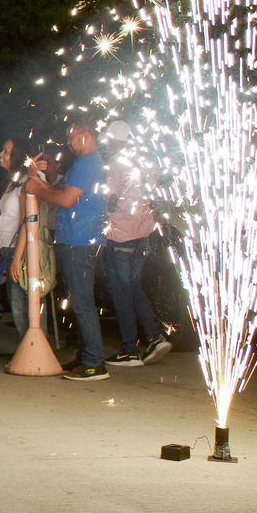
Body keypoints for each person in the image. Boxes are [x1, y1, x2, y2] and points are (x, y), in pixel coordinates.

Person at [28, 121, 110, 381]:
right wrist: (45, 185)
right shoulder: (88, 163)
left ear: (86, 135)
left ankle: (94, 362)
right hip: (80, 238)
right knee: (79, 299)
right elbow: (65, 192)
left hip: (80, 240)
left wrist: (40, 190)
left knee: (82, 301)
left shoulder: (87, 163)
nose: (70, 143)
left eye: (73, 138)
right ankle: (86, 354)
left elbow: (67, 199)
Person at [100, 122, 172, 366]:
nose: (107, 144)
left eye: (109, 139)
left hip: (121, 234)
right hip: (143, 234)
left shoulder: (115, 164)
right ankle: (154, 337)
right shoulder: (145, 163)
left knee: (122, 291)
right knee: (133, 286)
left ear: (115, 140)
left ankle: (131, 348)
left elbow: (109, 198)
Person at [0, 142, 53, 346]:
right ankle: (29, 348)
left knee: (27, 301)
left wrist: (18, 257)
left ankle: (37, 349)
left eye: (6, 151)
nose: (0, 153)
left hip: (24, 251)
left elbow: (28, 221)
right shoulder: (14, 182)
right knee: (17, 302)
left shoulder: (31, 181)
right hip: (10, 251)